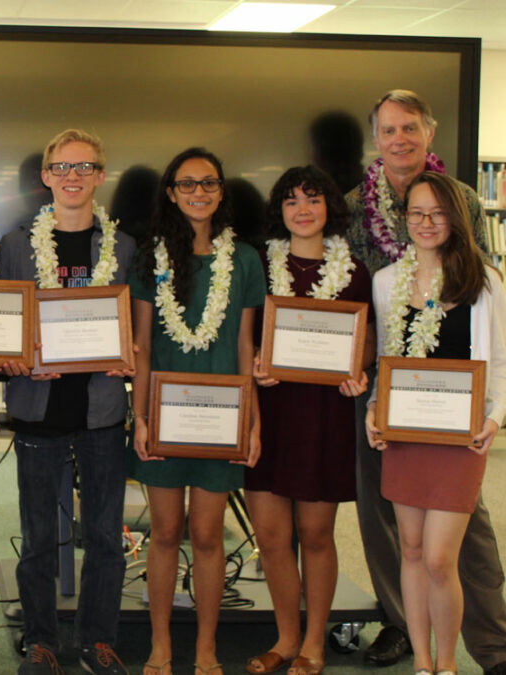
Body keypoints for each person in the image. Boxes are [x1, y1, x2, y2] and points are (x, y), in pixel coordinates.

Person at [345, 90, 506, 675]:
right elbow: (362, 307)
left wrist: (489, 412)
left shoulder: (460, 197)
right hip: (388, 396)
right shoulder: (351, 207)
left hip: (457, 405)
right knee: (388, 526)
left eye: (409, 128)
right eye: (388, 130)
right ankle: (404, 630)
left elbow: (478, 296)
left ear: (428, 134)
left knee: (466, 540)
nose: (399, 139)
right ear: (376, 139)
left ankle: (492, 644)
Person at [0, 128, 136, 675]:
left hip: (102, 410)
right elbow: (6, 325)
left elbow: (136, 328)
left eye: (84, 167)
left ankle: (97, 641)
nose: (73, 177)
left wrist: (130, 354)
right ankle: (41, 642)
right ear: (45, 176)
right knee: (36, 539)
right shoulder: (14, 245)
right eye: (62, 167)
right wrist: (10, 355)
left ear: (101, 175)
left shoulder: (124, 249)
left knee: (104, 536)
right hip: (38, 409)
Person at [129, 147, 265, 675]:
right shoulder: (151, 257)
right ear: (171, 193)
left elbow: (246, 348)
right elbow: (141, 343)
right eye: (187, 184)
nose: (199, 193)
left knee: (208, 536)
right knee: (164, 533)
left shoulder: (246, 259)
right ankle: (161, 645)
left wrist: (251, 421)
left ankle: (206, 648)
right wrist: (139, 416)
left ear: (221, 190)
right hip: (164, 416)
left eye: (208, 183)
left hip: (221, 418)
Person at [244, 166, 374, 675]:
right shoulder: (258, 265)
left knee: (316, 535)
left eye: (313, 199)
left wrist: (358, 371)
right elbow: (247, 334)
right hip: (270, 413)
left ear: (329, 209)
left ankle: (314, 642)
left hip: (323, 417)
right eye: (292, 200)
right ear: (279, 211)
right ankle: (286, 638)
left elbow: (363, 344)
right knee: (272, 538)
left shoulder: (355, 272)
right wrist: (256, 361)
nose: (303, 209)